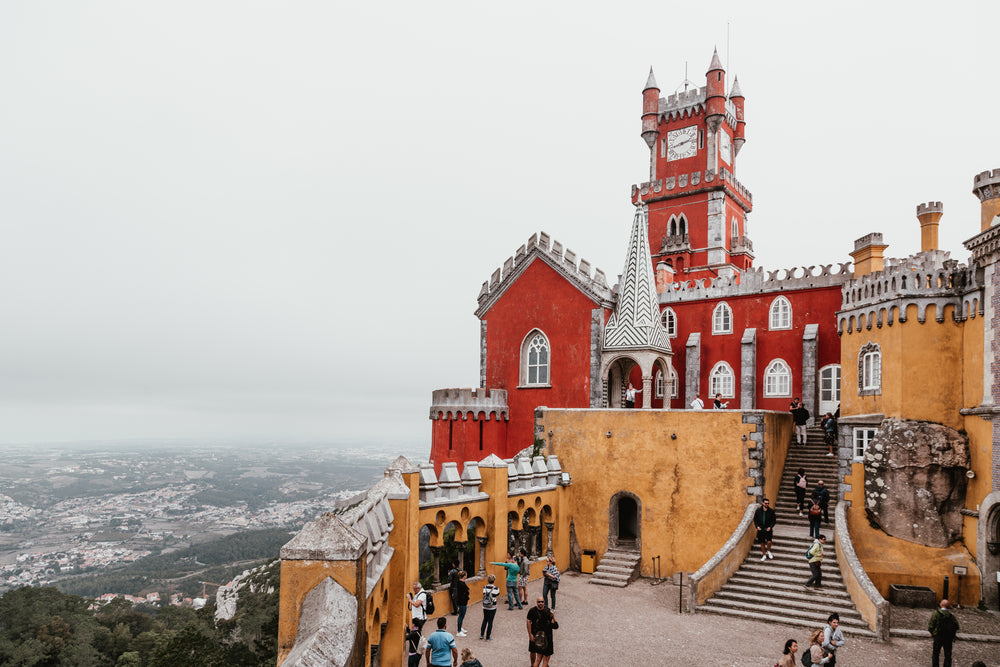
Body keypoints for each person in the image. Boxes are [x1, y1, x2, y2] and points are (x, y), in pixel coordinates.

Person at [526, 596, 558, 667]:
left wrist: (531, 633)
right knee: (545, 661)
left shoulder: (539, 622)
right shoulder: (548, 619)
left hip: (539, 640)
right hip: (547, 641)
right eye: (539, 602)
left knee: (538, 660)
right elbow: (556, 626)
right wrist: (553, 617)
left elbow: (529, 621)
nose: (540, 603)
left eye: (542, 602)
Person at [928, 598, 959, 667]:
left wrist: (932, 633)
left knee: (936, 653)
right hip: (948, 637)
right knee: (948, 654)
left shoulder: (936, 613)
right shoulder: (951, 616)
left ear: (941, 605)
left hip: (938, 636)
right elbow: (956, 626)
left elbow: (931, 625)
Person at [480, 573, 500, 640]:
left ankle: (482, 634)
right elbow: (497, 594)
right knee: (490, 621)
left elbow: (483, 594)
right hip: (492, 606)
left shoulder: (484, 587)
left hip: (485, 606)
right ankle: (488, 636)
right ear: (494, 581)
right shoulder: (496, 588)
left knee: (485, 619)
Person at [454, 570, 470, 637]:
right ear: (464, 576)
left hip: (462, 601)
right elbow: (465, 592)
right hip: (462, 602)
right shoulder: (461, 584)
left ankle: (460, 628)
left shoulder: (460, 583)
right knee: (461, 616)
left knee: (461, 616)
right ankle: (459, 631)